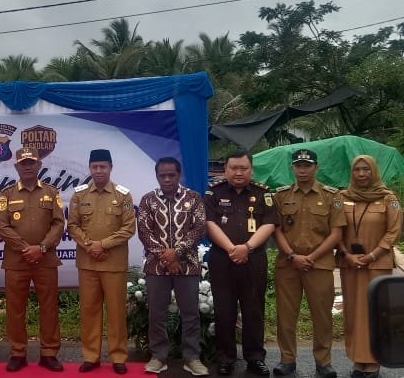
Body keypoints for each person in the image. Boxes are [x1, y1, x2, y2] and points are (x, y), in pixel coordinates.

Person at [271, 149, 344, 378]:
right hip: (288, 264)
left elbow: (336, 234)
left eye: (307, 165)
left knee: (322, 316)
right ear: (292, 167)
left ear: (316, 167)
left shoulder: (332, 196)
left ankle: (323, 362)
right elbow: (276, 230)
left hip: (319, 265)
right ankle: (287, 360)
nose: (302, 170)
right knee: (286, 316)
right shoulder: (280, 196)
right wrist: (292, 256)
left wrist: (311, 258)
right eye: (298, 165)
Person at [204, 149, 277, 377]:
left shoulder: (263, 193)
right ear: (225, 169)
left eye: (243, 168)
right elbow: (209, 223)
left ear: (251, 169)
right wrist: (231, 249)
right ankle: (225, 358)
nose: (238, 172)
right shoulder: (213, 192)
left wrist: (247, 247)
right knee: (224, 311)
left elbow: (269, 223)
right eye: (233, 168)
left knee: (254, 310)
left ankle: (255, 358)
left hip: (253, 260)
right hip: (222, 260)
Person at [0, 146, 66, 373]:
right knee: (15, 309)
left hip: (46, 260)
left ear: (39, 165)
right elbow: (1, 226)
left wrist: (41, 248)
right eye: (23, 164)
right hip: (17, 262)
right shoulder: (6, 194)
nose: (27, 167)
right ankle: (18, 353)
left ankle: (49, 353)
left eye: (31, 163)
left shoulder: (52, 192)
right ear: (16, 167)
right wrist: (26, 248)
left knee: (49, 308)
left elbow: (58, 224)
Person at [136, 157, 209, 377]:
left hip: (188, 266)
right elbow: (144, 232)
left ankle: (192, 358)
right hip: (156, 267)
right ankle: (159, 357)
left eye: (171, 175)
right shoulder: (148, 200)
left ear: (179, 175)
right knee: (156, 314)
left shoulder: (193, 198)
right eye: (162, 175)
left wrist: (176, 253)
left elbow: (198, 229)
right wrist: (167, 258)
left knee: (190, 314)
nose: (167, 179)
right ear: (157, 176)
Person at [67, 149, 136, 375]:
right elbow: (73, 226)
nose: (99, 171)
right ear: (89, 168)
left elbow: (129, 228)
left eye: (103, 167)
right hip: (88, 264)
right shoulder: (79, 195)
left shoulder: (123, 195)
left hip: (114, 264)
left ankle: (118, 356)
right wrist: (90, 246)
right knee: (89, 311)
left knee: (116, 313)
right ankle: (91, 356)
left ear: (110, 168)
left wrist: (103, 245)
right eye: (95, 167)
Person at [337, 155, 403, 378]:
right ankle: (358, 360)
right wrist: (346, 254)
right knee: (353, 312)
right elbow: (334, 229)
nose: (361, 174)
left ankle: (374, 360)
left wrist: (372, 255)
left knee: (375, 312)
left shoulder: (388, 198)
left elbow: (393, 232)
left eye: (366, 169)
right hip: (350, 264)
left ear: (373, 171)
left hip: (377, 265)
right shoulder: (341, 198)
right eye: (357, 170)